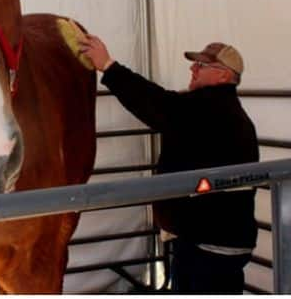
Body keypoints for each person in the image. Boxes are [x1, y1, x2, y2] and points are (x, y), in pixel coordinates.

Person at [78, 36, 259, 294]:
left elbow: (157, 104)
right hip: (214, 239)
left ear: (223, 76)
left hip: (210, 244)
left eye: (201, 66)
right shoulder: (221, 109)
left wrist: (108, 66)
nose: (192, 69)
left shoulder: (210, 108)